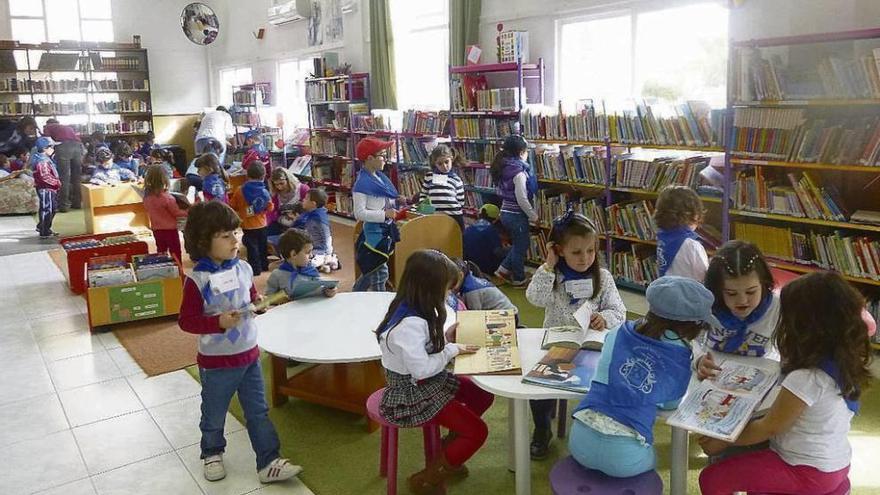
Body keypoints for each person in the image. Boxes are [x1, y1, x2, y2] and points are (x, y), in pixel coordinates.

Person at [698, 271, 870, 495]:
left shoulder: (807, 378)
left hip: (806, 471)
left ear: (802, 325)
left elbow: (769, 426)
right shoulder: (843, 360)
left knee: (713, 478)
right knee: (756, 473)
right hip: (836, 465)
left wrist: (723, 440)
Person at [178, 201, 302, 484]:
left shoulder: (244, 268)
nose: (236, 240)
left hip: (249, 354)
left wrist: (258, 304)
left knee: (258, 410)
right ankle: (211, 452)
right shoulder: (198, 280)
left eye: (237, 232)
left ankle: (268, 461)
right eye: (225, 236)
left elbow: (250, 297)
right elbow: (186, 321)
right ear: (202, 241)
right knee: (214, 411)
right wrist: (216, 323)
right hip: (217, 361)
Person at [569, 276, 713, 477]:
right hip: (625, 458)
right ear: (692, 326)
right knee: (653, 460)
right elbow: (670, 405)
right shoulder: (679, 355)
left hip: (578, 441)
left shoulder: (619, 330)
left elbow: (605, 372)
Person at [375, 249, 494, 494]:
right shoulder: (409, 324)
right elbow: (422, 370)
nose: (449, 294)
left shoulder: (415, 306)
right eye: (447, 289)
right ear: (429, 289)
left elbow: (423, 349)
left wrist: (445, 339)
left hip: (427, 380)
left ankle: (449, 450)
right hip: (412, 392)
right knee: (477, 432)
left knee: (483, 395)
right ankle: (427, 478)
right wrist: (450, 350)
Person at [525, 211, 627, 459]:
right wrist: (548, 266)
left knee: (599, 383)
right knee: (540, 388)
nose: (585, 258)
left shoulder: (603, 278)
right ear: (559, 250)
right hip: (556, 345)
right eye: (576, 252)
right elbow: (534, 298)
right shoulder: (553, 276)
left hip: (592, 346)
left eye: (590, 251)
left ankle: (589, 428)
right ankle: (541, 428)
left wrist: (605, 318)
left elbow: (619, 311)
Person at [697, 241, 780, 381]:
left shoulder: (777, 307)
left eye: (751, 292)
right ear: (716, 290)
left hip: (759, 375)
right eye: (731, 293)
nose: (742, 301)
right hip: (712, 372)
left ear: (764, 284)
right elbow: (684, 339)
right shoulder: (705, 303)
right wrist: (698, 359)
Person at [352, 137, 399, 292]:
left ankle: (355, 294)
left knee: (372, 268)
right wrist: (384, 214)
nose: (385, 159)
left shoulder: (379, 177)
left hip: (385, 230)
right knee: (379, 270)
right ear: (369, 158)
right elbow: (359, 213)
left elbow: (386, 198)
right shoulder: (362, 184)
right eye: (382, 155)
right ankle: (378, 300)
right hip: (374, 233)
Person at [491, 135, 538, 286]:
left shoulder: (505, 167)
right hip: (516, 215)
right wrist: (533, 216)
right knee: (521, 246)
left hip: (505, 212)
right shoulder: (519, 172)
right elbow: (522, 199)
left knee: (518, 245)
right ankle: (519, 278)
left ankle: (502, 269)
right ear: (521, 152)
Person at [265, 228, 338, 300]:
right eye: (308, 252)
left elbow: (320, 288)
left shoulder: (311, 270)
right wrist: (279, 300)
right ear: (293, 254)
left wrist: (330, 291)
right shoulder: (277, 275)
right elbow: (268, 298)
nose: (311, 255)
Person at [654, 185, 709, 281]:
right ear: (694, 215)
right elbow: (705, 276)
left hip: (666, 290)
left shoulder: (663, 237)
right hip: (689, 293)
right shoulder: (692, 245)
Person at [230, 162, 273, 276]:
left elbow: (233, 205)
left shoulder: (240, 190)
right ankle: (264, 265)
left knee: (252, 247)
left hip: (247, 225)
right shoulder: (265, 192)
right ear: (263, 176)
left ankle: (255, 269)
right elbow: (270, 207)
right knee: (262, 246)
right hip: (262, 224)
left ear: (247, 176)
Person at [143, 164, 188, 262]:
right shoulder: (167, 198)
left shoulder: (146, 198)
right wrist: (188, 211)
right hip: (170, 230)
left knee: (161, 251)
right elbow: (176, 213)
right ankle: (178, 271)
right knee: (175, 252)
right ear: (165, 179)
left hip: (156, 229)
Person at [419, 144, 466, 231]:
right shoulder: (430, 176)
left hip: (454, 216)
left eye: (446, 162)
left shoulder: (457, 179)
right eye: (440, 164)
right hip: (435, 216)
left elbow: (461, 202)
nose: (444, 166)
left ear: (451, 159)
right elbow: (423, 195)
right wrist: (427, 209)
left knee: (458, 240)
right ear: (435, 164)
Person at [42, 118, 85, 212]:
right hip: (78, 146)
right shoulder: (67, 127)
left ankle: (64, 206)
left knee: (64, 177)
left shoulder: (48, 127)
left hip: (64, 147)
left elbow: (47, 142)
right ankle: (77, 203)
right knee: (76, 177)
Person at [293, 188, 338, 272]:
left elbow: (327, 236)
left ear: (313, 204)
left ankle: (328, 260)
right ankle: (324, 264)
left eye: (306, 198)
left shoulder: (319, 218)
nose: (303, 200)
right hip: (311, 247)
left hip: (319, 250)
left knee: (303, 265)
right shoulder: (310, 214)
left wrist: (328, 252)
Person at [463, 203, 508, 276]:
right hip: (488, 268)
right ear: (496, 219)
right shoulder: (492, 230)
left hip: (471, 266)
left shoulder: (469, 228)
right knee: (513, 251)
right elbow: (498, 252)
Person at [31, 137, 62, 239]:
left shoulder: (45, 159)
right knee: (47, 209)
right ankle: (44, 231)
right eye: (52, 147)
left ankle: (43, 226)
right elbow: (44, 176)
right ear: (45, 148)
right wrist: (56, 183)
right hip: (45, 189)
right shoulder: (42, 161)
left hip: (49, 188)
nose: (53, 149)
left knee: (51, 208)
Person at [267, 167, 309, 236]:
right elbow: (271, 212)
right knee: (264, 235)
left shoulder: (303, 189)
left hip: (300, 224)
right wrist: (277, 218)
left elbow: (310, 209)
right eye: (276, 184)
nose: (279, 187)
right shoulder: (275, 194)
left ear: (288, 180)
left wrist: (298, 218)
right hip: (281, 223)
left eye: (282, 183)